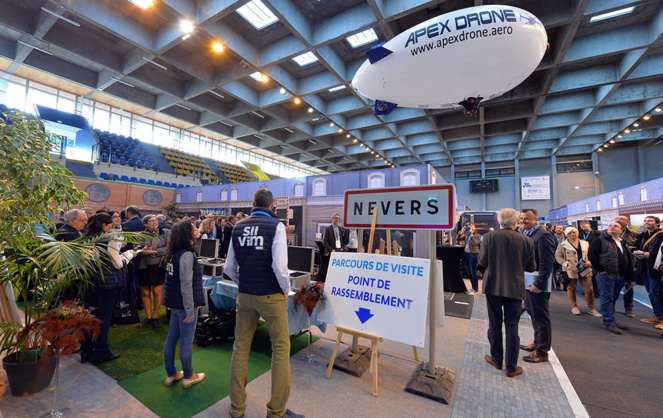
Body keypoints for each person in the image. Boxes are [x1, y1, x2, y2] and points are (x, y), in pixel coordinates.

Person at [225, 189, 303, 418]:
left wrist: (245, 282)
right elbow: (280, 266)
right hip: (271, 295)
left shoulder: (238, 226)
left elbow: (229, 267)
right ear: (272, 207)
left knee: (240, 348)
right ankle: (276, 411)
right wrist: (284, 289)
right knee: (280, 349)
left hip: (246, 295)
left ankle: (236, 409)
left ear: (252, 204)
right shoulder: (276, 226)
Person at [480, 208, 536, 378]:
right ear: (515, 221)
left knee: (494, 324)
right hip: (515, 288)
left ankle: (497, 360)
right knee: (512, 327)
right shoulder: (527, 241)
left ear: (499, 221)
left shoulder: (489, 237)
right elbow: (531, 267)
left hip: (493, 286)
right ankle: (511, 367)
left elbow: (482, 261)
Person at [80, 213, 136, 364]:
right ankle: (101, 352)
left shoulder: (84, 240)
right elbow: (117, 263)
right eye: (109, 225)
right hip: (107, 284)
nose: (111, 227)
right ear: (104, 225)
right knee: (103, 319)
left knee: (89, 316)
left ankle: (86, 351)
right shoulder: (108, 240)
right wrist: (129, 255)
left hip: (89, 282)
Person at [163, 220, 206, 389]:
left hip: (175, 303)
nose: (197, 230)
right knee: (186, 340)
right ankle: (188, 376)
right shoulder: (187, 254)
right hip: (184, 304)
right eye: (193, 228)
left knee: (172, 339)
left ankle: (171, 374)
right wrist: (190, 310)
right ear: (186, 234)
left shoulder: (175, 252)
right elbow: (186, 284)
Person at [519, 208, 556, 364]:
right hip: (528, 282)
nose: (522, 221)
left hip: (537, 284)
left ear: (535, 220)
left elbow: (546, 263)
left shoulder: (543, 235)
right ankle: (536, 343)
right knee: (533, 315)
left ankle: (542, 352)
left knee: (541, 317)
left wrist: (539, 283)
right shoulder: (527, 234)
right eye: (521, 218)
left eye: (526, 219)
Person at [588, 221, 636, 335]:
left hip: (621, 275)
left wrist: (631, 277)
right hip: (606, 275)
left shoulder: (623, 243)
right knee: (607, 298)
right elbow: (591, 255)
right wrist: (600, 269)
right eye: (610, 226)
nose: (612, 227)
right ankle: (608, 322)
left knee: (613, 298)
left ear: (621, 230)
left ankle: (611, 319)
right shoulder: (599, 240)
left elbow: (629, 260)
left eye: (615, 226)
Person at [555, 226, 602, 317]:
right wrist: (564, 263)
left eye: (574, 232)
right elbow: (558, 256)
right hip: (570, 269)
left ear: (577, 233)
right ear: (567, 234)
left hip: (585, 268)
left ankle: (591, 308)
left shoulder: (585, 243)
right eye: (570, 233)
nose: (572, 234)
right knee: (571, 288)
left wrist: (590, 262)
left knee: (589, 290)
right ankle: (574, 307)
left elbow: (592, 254)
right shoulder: (563, 245)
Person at [135, 215, 171, 329]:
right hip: (143, 266)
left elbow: (169, 248)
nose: (155, 222)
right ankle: (148, 317)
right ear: (145, 224)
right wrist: (142, 250)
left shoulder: (165, 233)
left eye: (156, 220)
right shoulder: (140, 235)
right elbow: (135, 249)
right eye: (151, 221)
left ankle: (155, 316)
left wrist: (154, 251)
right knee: (145, 292)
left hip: (158, 266)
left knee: (157, 291)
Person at [635, 216, 663, 326]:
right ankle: (657, 315)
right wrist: (637, 253)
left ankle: (661, 317)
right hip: (644, 267)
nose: (646, 222)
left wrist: (649, 255)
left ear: (657, 223)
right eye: (645, 221)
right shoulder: (642, 235)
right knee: (651, 293)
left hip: (657, 269)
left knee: (656, 293)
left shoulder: (661, 235)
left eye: (650, 221)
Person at [613, 215, 638, 317]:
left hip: (628, 265)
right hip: (613, 266)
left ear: (627, 222)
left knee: (628, 288)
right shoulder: (607, 233)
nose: (619, 220)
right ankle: (609, 308)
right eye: (617, 219)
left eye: (622, 219)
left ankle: (629, 309)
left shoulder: (634, 234)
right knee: (611, 289)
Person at [579, 220, 601, 298]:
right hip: (585, 257)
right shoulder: (581, 236)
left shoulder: (597, 233)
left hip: (595, 256)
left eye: (584, 224)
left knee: (594, 275)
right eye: (581, 225)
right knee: (586, 275)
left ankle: (596, 291)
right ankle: (588, 290)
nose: (583, 226)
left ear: (589, 225)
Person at [462, 223, 482, 295]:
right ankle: (473, 288)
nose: (470, 228)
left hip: (473, 255)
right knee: (469, 272)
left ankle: (476, 289)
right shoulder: (467, 235)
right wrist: (462, 231)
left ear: (474, 228)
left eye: (471, 227)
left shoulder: (477, 236)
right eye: (469, 227)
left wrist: (472, 235)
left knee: (473, 272)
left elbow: (475, 243)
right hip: (466, 255)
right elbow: (459, 238)